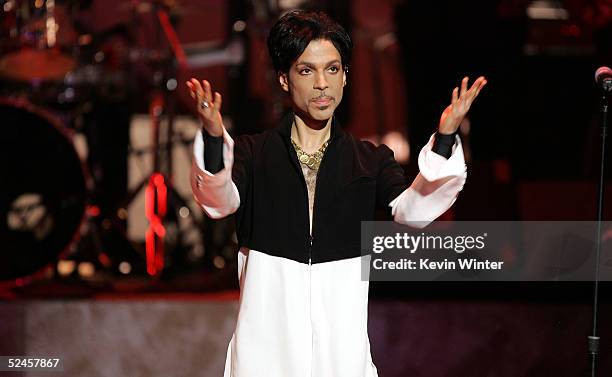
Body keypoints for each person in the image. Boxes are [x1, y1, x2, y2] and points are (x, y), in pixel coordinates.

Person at [187, 10, 486, 377]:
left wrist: (444, 139)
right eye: (306, 70)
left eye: (332, 69)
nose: (322, 85)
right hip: (266, 346)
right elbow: (219, 201)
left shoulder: (369, 160)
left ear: (345, 76)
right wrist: (215, 139)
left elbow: (412, 211)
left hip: (341, 350)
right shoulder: (255, 154)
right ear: (283, 79)